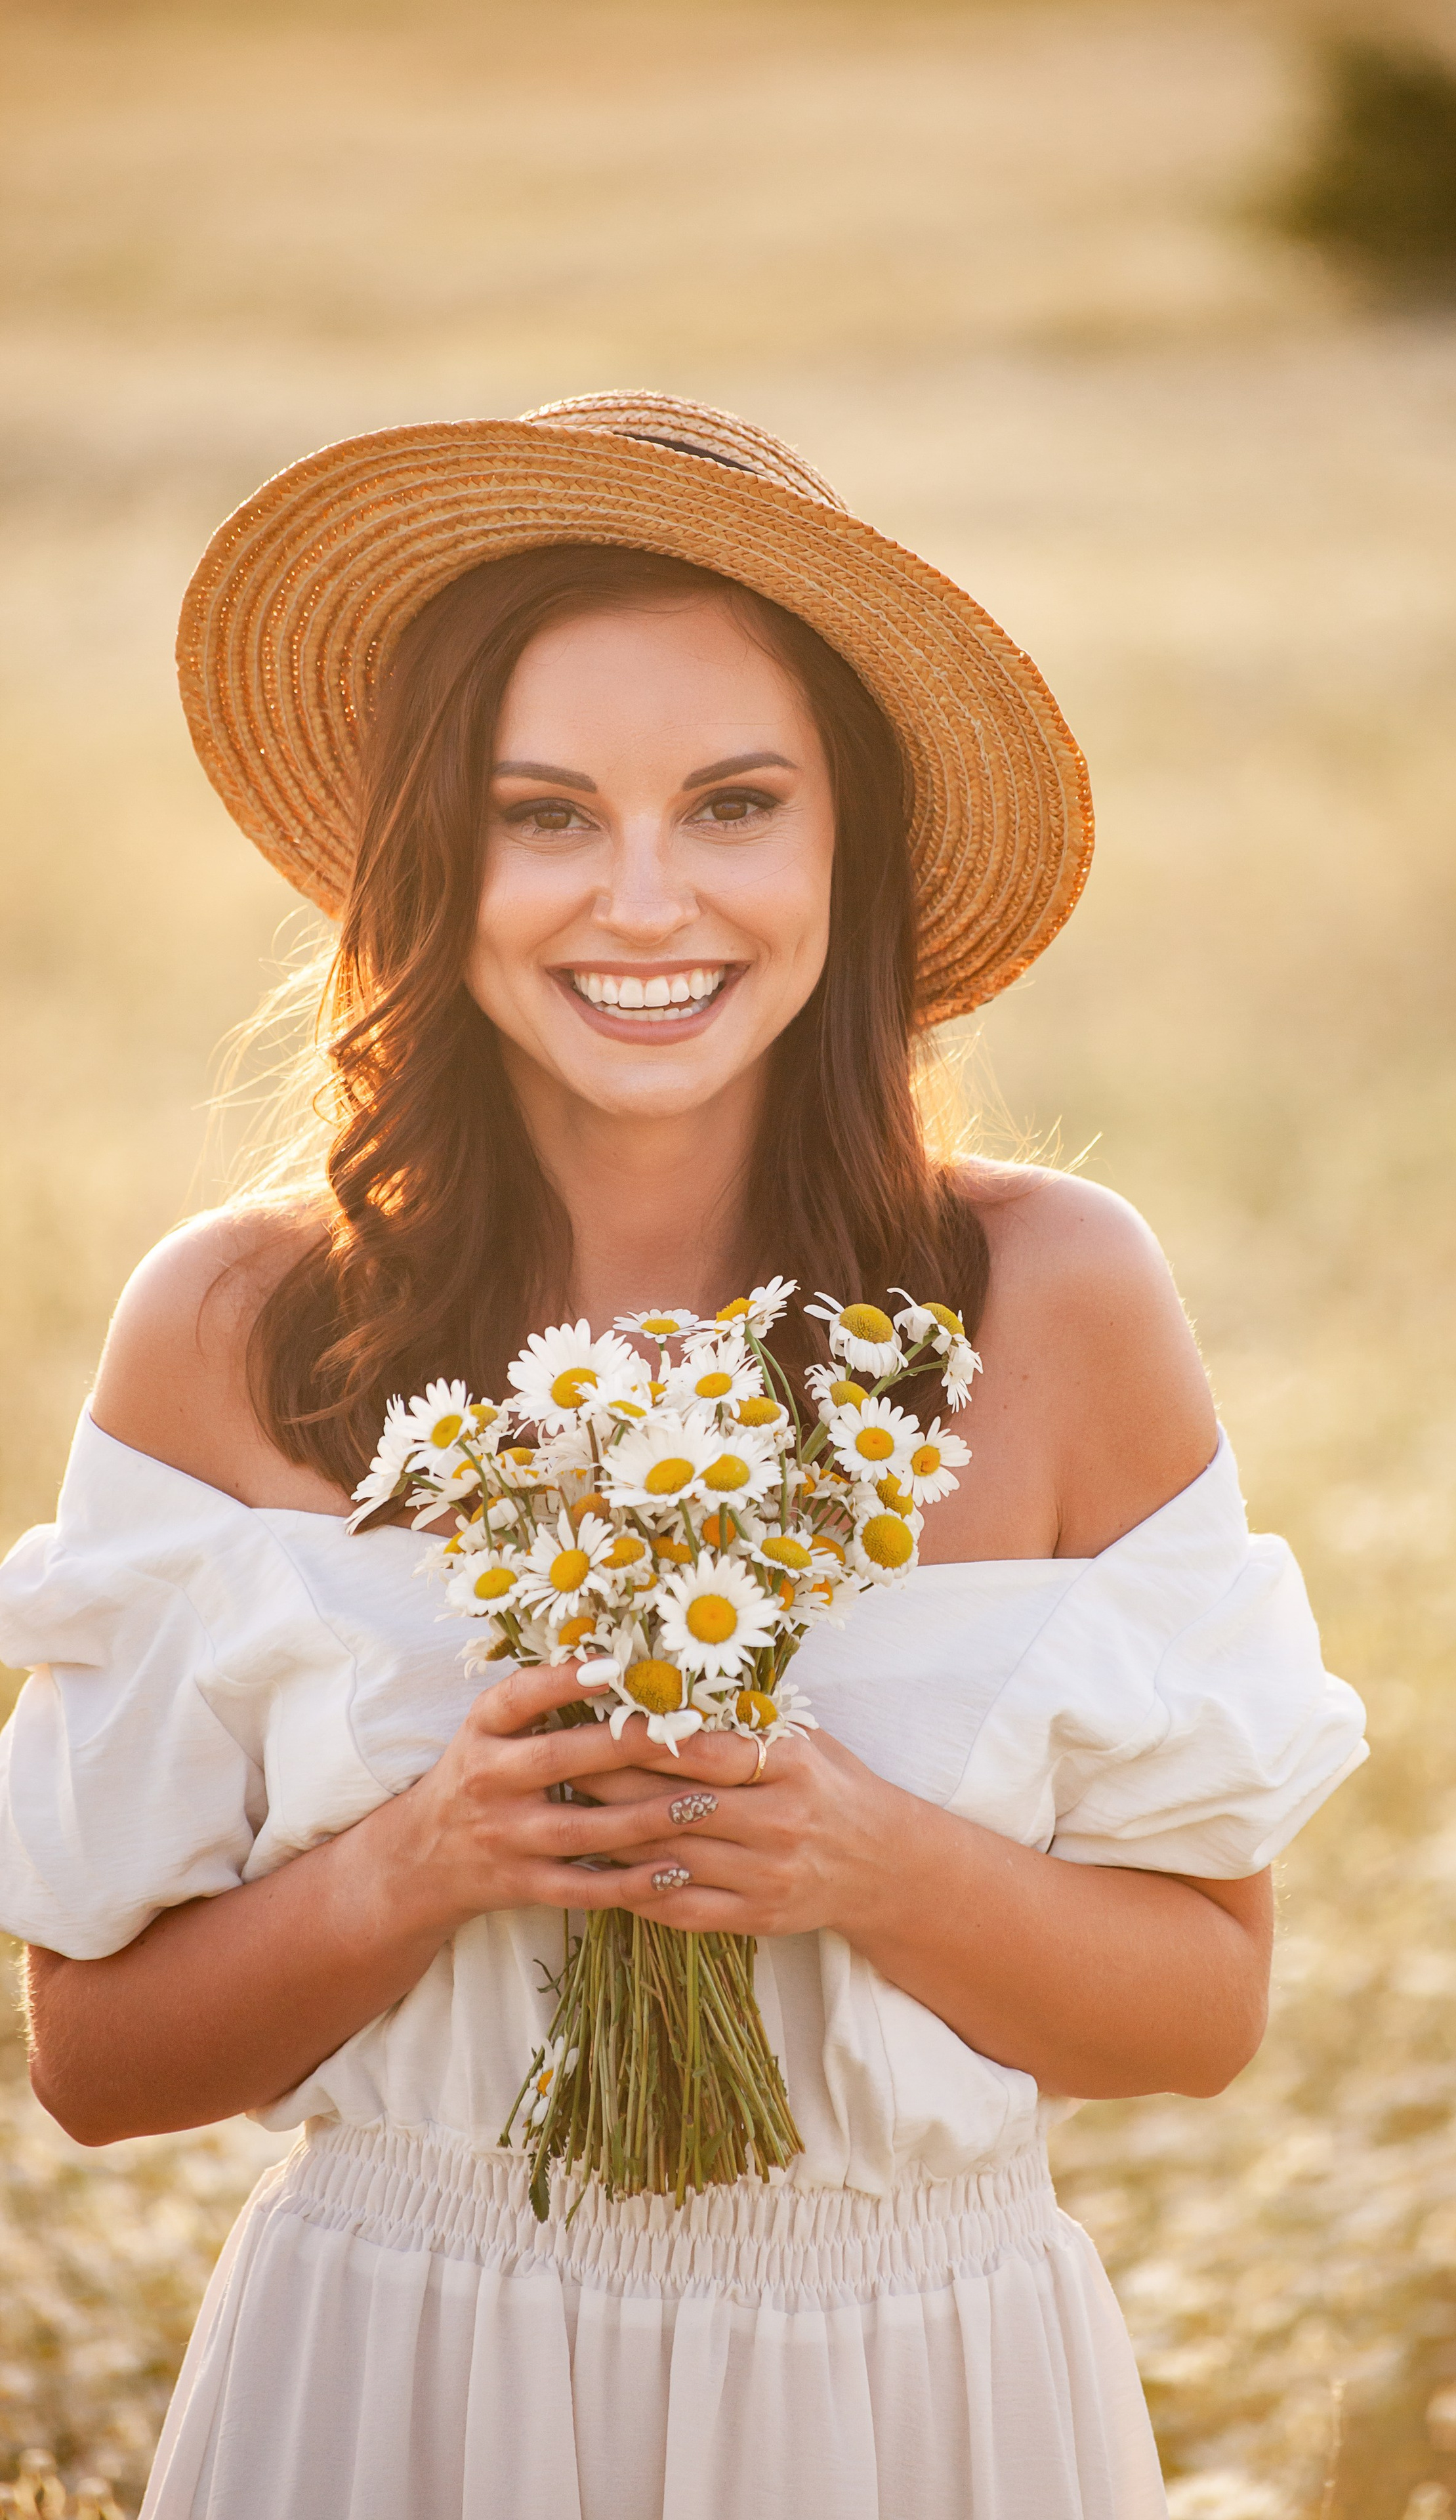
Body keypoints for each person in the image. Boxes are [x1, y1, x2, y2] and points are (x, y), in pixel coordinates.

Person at [0, 392, 1365, 2520]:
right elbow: (89, 2065)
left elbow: (1201, 2009)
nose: (644, 901)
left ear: (855, 848)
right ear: (433, 861)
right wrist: (412, 1865)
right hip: (402, 2376)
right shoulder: (237, 1326)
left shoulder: (1057, 1298)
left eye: (735, 803)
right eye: (544, 813)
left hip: (913, 2391)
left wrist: (874, 1864)